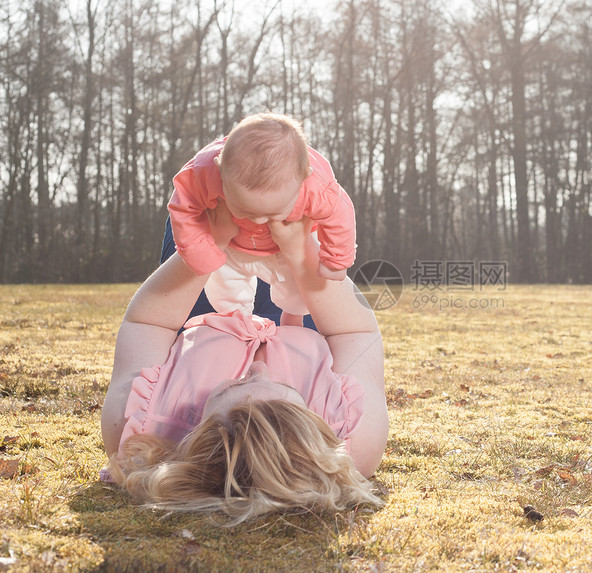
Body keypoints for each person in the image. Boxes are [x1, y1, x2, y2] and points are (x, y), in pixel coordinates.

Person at [101, 206, 387, 522]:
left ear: (198, 437)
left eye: (234, 385)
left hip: (204, 317)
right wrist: (301, 253)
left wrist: (212, 243)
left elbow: (147, 324)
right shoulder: (354, 443)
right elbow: (355, 331)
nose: (259, 368)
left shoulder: (138, 429)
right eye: (285, 387)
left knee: (211, 204)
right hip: (302, 318)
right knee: (284, 205)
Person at [169, 112, 356, 318]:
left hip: (285, 247)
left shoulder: (316, 188)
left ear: (303, 180)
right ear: (221, 172)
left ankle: (292, 318)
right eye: (244, 209)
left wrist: (336, 260)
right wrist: (200, 254)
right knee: (223, 287)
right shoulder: (202, 174)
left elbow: (340, 214)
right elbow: (183, 206)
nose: (258, 220)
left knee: (301, 290)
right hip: (232, 243)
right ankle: (236, 321)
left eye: (272, 213)